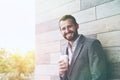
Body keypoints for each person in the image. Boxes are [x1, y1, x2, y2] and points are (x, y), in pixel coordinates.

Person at [58, 15, 107, 80]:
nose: (67, 31)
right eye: (63, 28)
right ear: (61, 31)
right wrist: (61, 73)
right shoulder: (64, 49)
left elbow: (99, 76)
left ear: (77, 26)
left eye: (69, 26)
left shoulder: (92, 44)